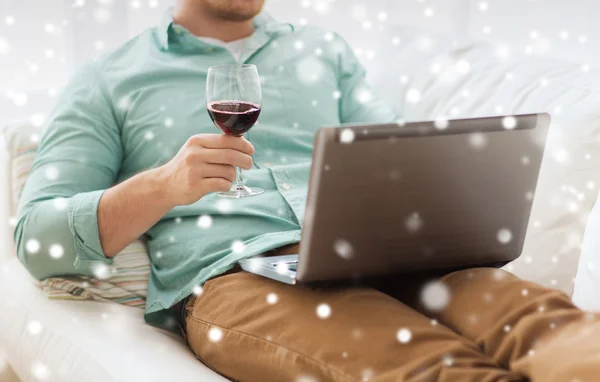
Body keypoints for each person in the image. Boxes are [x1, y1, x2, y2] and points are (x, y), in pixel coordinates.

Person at [14, 0, 600, 380]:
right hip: (240, 274)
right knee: (430, 368)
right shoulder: (109, 78)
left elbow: (400, 156)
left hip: (391, 254)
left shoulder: (324, 52)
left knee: (548, 326)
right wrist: (163, 186)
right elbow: (38, 240)